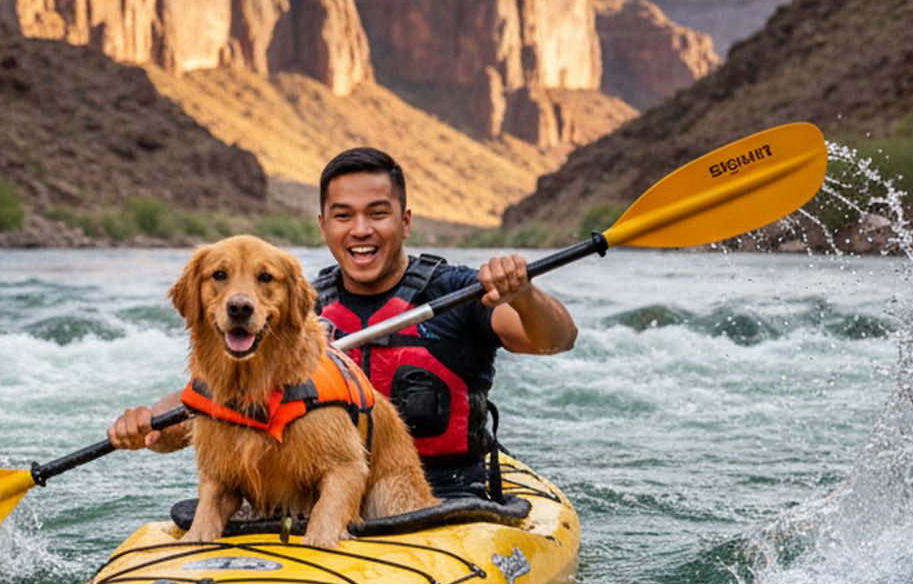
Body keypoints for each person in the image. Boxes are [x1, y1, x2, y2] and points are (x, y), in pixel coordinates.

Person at [106, 146, 577, 499]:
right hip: (319, 498)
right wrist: (148, 422)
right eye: (343, 216)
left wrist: (526, 294)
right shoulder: (291, 307)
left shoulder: (458, 291)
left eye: (378, 213)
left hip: (448, 494)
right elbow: (211, 397)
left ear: (406, 221)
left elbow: (556, 340)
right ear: (323, 226)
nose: (360, 230)